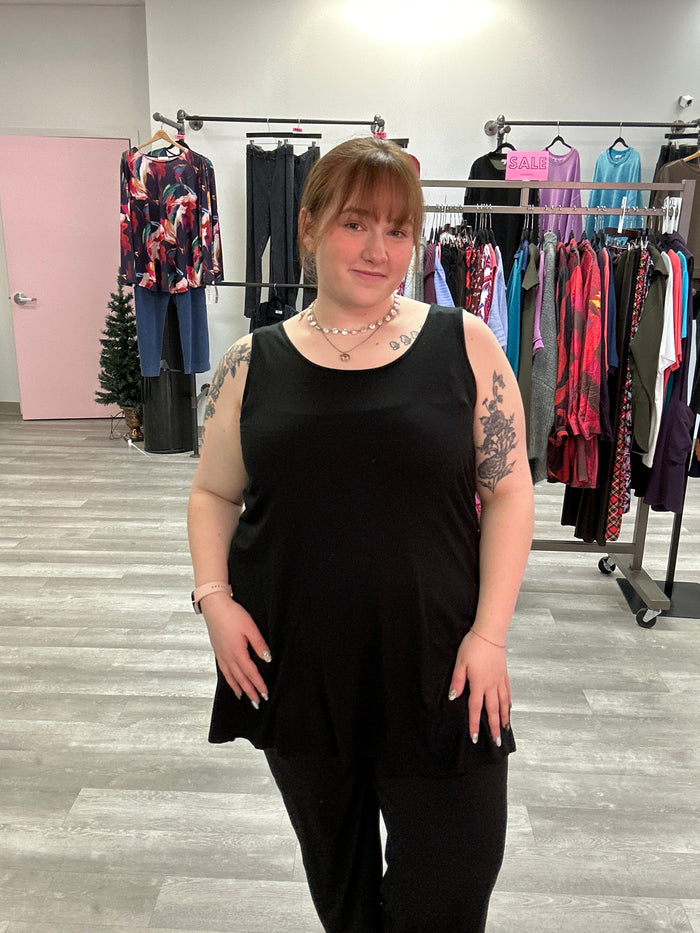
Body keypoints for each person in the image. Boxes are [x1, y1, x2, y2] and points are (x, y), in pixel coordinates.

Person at [187, 136, 534, 933]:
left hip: (443, 663)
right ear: (308, 225)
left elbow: (510, 489)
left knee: (453, 878)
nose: (379, 249)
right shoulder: (252, 362)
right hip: (298, 664)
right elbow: (212, 492)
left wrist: (491, 634)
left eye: (397, 228)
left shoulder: (464, 343)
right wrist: (213, 600)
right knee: (340, 889)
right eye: (354, 223)